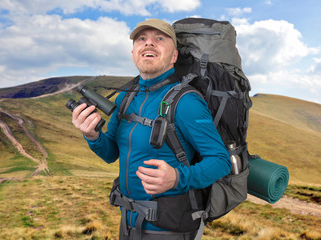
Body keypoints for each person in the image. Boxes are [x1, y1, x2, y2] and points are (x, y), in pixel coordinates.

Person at [71, 18, 231, 240]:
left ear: (174, 56)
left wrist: (176, 177)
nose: (149, 43)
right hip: (127, 224)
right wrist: (93, 135)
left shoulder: (186, 102)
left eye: (159, 39)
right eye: (141, 39)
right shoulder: (126, 98)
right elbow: (110, 154)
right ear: (134, 52)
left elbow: (221, 160)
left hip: (169, 228)